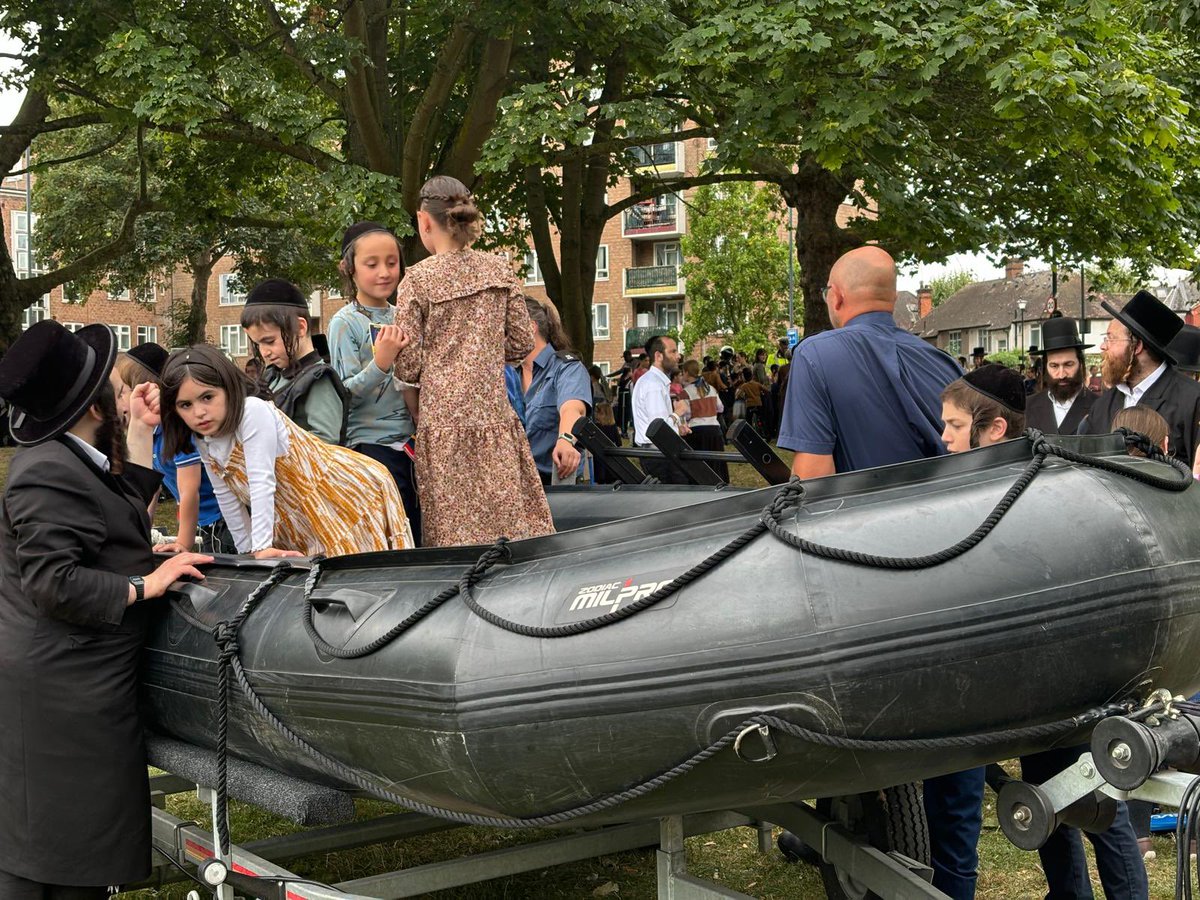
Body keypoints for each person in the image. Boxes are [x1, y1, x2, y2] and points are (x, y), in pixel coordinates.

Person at [0, 320, 212, 896]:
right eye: (117, 388)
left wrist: (140, 434)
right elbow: (54, 582)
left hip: (75, 682)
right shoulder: (45, 472)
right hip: (64, 691)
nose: (128, 392)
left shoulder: (70, 461)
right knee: (55, 859)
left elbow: (111, 514)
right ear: (95, 407)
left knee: (68, 852)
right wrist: (147, 584)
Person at [392, 174, 554, 547]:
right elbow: (520, 342)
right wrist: (481, 354)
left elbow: (407, 367)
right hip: (494, 415)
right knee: (512, 527)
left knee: (453, 536)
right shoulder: (499, 270)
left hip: (444, 424)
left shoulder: (418, 280)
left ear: (424, 221)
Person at [159, 344, 414, 557]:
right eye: (185, 405)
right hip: (299, 514)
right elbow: (225, 494)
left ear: (228, 388)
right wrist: (247, 552)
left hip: (344, 493)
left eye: (207, 397)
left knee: (357, 578)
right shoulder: (205, 437)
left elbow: (262, 481)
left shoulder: (252, 412)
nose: (199, 412)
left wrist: (261, 546)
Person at [935, 363, 1028, 899]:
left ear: (994, 430)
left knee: (956, 801)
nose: (942, 436)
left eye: (953, 426)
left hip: (975, 679)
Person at [778, 246, 962, 478]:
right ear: (893, 298)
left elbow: (812, 479)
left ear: (836, 297)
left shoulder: (813, 354)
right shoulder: (946, 363)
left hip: (864, 512)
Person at [329, 220, 422, 541]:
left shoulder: (403, 314)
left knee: (418, 531)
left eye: (392, 263)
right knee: (391, 536)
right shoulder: (344, 323)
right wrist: (381, 362)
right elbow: (342, 393)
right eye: (372, 264)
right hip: (370, 448)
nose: (384, 272)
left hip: (412, 446)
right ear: (349, 268)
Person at [116, 343, 233, 554]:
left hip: (223, 520)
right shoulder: (147, 432)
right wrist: (140, 533)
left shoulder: (176, 430)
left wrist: (183, 544)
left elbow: (190, 490)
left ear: (147, 390)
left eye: (121, 392)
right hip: (205, 520)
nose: (119, 400)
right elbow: (151, 489)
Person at [1084, 289, 1200, 470]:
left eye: (1110, 339)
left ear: (1136, 346)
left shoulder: (1192, 401)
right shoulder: (1103, 405)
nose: (1103, 346)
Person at [242, 278, 348, 445]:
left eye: (269, 341)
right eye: (257, 344)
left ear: (300, 327)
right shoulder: (271, 376)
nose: (264, 352)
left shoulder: (319, 379)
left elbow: (326, 445)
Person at [517, 295, 592, 485]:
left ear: (530, 327)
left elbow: (573, 408)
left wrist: (566, 440)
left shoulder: (566, 368)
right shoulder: (507, 375)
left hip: (554, 484)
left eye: (505, 329)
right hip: (514, 485)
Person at [631, 334, 692, 483]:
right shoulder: (653, 385)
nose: (678, 356)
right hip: (659, 455)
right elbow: (658, 429)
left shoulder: (654, 381)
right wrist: (678, 413)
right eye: (673, 351)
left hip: (658, 453)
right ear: (658, 356)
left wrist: (677, 428)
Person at [1024, 317, 1096, 435]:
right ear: (1045, 367)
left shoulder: (1099, 407)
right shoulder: (1028, 407)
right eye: (1054, 366)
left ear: (1080, 364)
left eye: (1068, 364)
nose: (1061, 375)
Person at [682, 359, 727, 482]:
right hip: (714, 430)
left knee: (700, 470)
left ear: (686, 372)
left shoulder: (685, 392)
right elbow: (720, 408)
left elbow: (685, 414)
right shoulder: (711, 388)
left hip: (697, 432)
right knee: (717, 468)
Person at [590, 365, 622, 484]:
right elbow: (618, 443)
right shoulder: (602, 387)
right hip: (607, 413)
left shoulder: (593, 387)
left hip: (603, 411)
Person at [736, 366, 766, 434]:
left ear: (744, 376)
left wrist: (740, 397)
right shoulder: (757, 384)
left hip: (749, 405)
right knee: (762, 418)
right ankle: (765, 431)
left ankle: (749, 433)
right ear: (752, 376)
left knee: (748, 420)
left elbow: (737, 395)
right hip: (759, 404)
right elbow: (766, 390)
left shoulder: (744, 386)